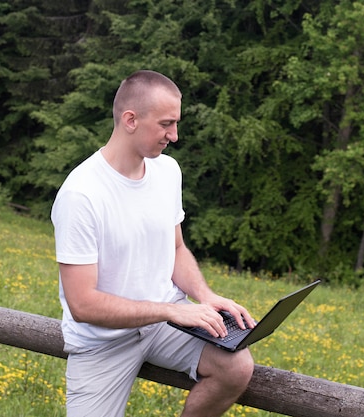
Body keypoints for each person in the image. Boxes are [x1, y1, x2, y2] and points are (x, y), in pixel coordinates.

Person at [51, 69, 255, 417]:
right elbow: (83, 304)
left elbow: (175, 248)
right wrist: (170, 310)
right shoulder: (81, 194)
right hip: (103, 342)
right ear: (130, 120)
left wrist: (205, 297)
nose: (174, 136)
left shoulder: (167, 171)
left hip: (166, 327)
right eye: (166, 124)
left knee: (236, 367)